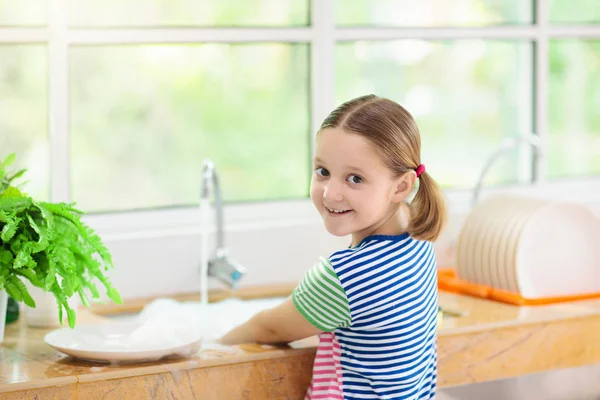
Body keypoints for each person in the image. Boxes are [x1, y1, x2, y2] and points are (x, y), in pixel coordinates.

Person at [220, 94, 447, 399]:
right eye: (323, 171)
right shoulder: (418, 240)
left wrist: (214, 345)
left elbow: (270, 329)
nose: (330, 193)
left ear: (401, 186)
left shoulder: (345, 275)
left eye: (355, 178)